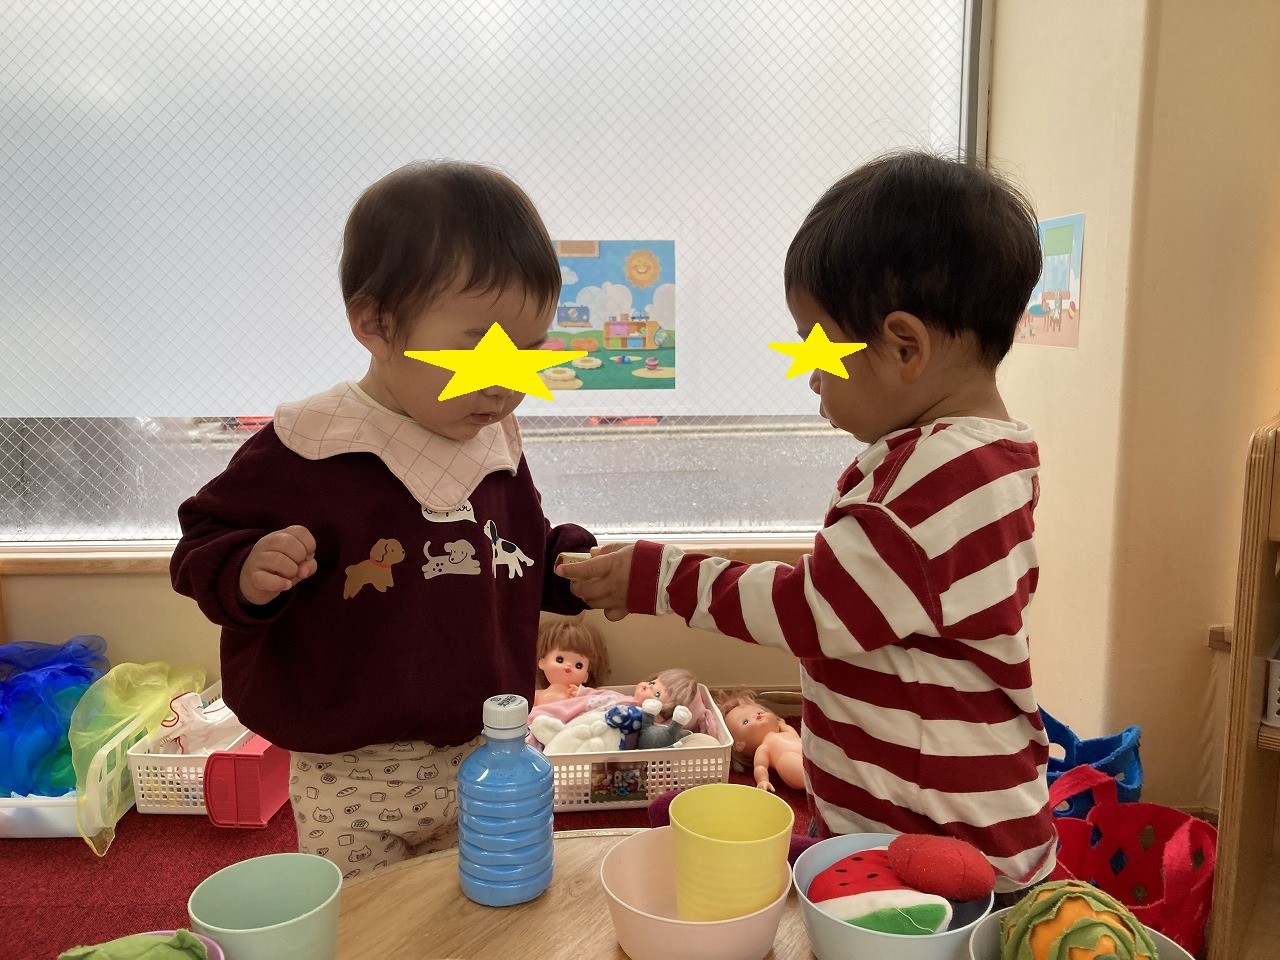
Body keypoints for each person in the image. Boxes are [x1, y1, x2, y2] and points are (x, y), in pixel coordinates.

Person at [558, 150, 1055, 892]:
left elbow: (812, 609)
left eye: (819, 353)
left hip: (945, 857)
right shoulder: (962, 461)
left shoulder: (945, 477)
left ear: (905, 347)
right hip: (906, 827)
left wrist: (659, 577)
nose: (813, 381)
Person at [171, 160, 595, 880]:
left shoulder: (491, 438)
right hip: (349, 765)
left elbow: (506, 548)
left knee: (486, 901)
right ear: (376, 324)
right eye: (477, 348)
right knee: (368, 919)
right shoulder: (308, 443)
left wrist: (566, 564)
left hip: (485, 747)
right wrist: (245, 569)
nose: (503, 383)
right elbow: (200, 543)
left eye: (526, 353)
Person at [717, 690, 804, 792]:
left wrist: (782, 724)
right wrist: (762, 780)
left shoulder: (786, 732)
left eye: (760, 712)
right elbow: (760, 766)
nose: (757, 716)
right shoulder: (764, 747)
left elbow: (795, 735)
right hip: (790, 761)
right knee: (790, 761)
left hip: (807, 751)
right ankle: (815, 779)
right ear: (739, 745)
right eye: (745, 721)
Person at [534, 617, 609, 705]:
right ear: (542, 663)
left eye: (578, 665)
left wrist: (582, 694)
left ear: (586, 676)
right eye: (560, 660)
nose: (568, 665)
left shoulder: (585, 696)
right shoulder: (536, 695)